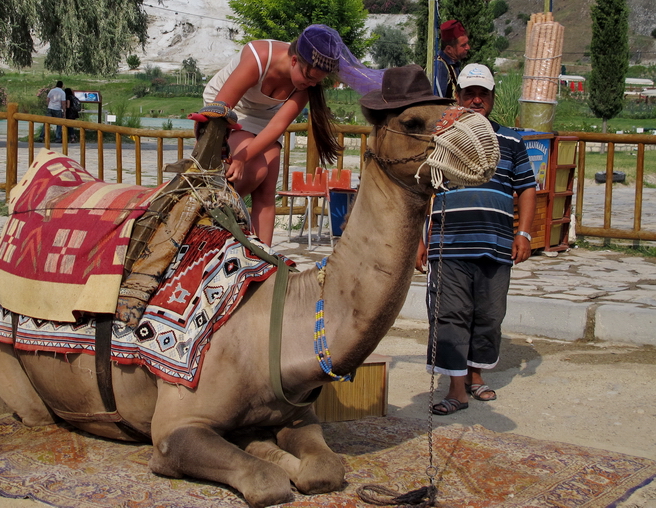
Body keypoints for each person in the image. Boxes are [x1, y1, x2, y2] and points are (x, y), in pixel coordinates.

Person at [416, 63, 537, 415]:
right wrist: (418, 241)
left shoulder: (512, 141)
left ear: (493, 98)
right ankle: (457, 391)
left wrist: (525, 233)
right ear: (458, 97)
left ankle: (476, 375)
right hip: (447, 243)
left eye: (483, 93)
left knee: (489, 314)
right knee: (450, 314)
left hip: (496, 245)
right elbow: (424, 188)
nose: (476, 99)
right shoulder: (441, 140)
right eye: (469, 93)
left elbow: (527, 188)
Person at [199, 24, 383, 246]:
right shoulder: (260, 58)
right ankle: (208, 214)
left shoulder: (306, 86)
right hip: (229, 108)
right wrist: (238, 158)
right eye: (309, 77)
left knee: (267, 187)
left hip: (266, 117)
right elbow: (222, 107)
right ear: (294, 60)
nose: (311, 84)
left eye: (317, 81)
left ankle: (263, 259)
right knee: (256, 170)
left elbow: (277, 126)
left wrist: (242, 157)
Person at [433, 19, 470, 99]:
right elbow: (438, 100)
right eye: (463, 45)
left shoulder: (453, 64)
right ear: (449, 49)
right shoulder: (440, 66)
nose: (468, 48)